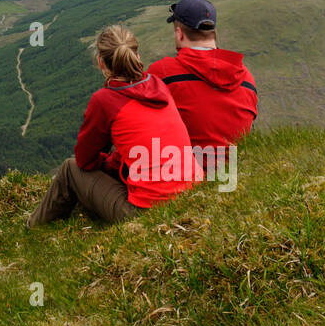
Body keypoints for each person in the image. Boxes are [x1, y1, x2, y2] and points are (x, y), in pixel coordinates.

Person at [28, 24, 202, 227]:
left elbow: (84, 160)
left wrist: (104, 162)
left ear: (101, 63)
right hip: (192, 193)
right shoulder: (158, 85)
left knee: (69, 168)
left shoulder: (105, 100)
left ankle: (34, 228)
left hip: (147, 213)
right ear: (136, 56)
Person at [147, 0, 258, 153]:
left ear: (179, 34)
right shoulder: (246, 78)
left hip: (184, 173)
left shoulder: (162, 73)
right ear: (214, 33)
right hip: (234, 170)